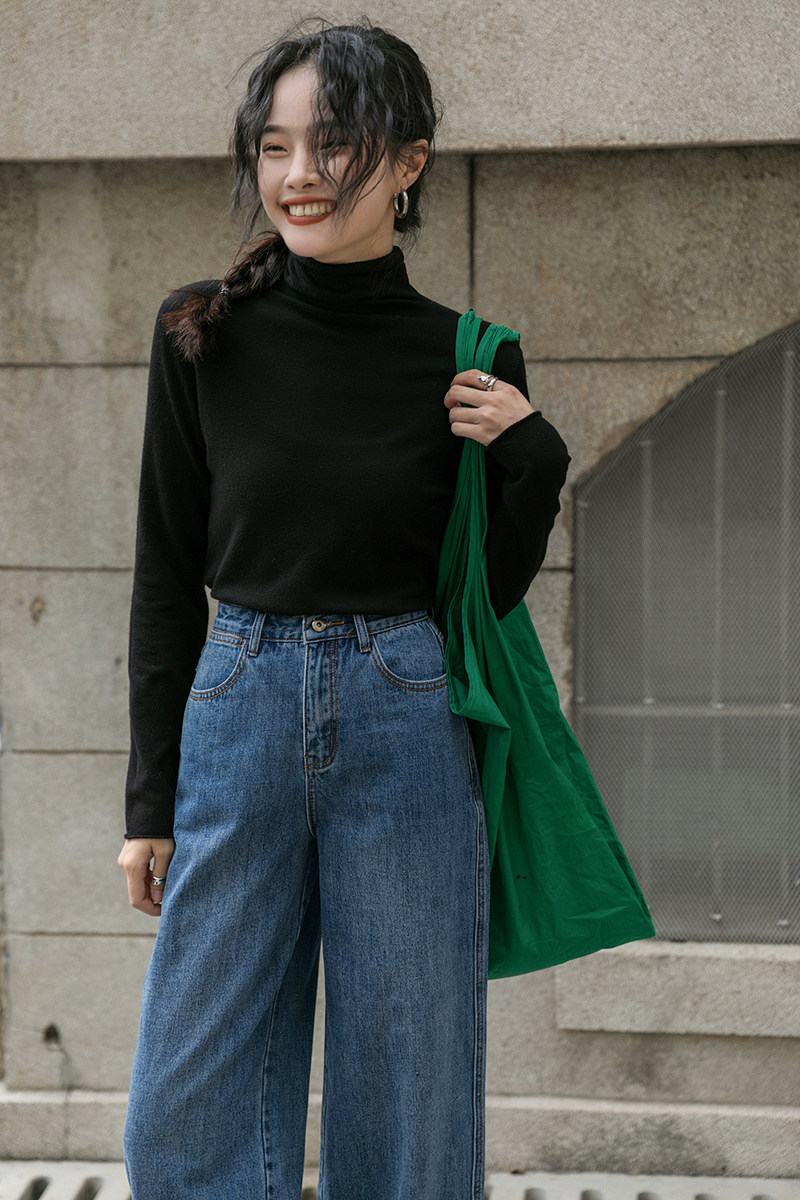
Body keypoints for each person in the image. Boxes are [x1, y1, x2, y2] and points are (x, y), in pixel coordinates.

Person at [118, 18, 570, 1200]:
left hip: (404, 711)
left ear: (408, 161)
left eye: (332, 144)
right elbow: (163, 577)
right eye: (274, 147)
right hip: (237, 703)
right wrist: (148, 802)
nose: (298, 175)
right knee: (187, 1103)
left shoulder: (468, 355)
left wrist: (533, 459)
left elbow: (481, 598)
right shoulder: (200, 334)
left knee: (409, 1075)